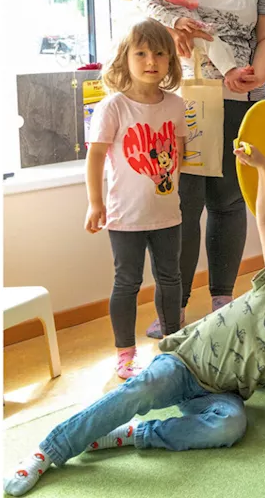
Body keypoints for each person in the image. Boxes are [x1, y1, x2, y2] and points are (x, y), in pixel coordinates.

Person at [4, 144, 265, 496]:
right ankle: (49, 450)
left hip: (220, 394)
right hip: (184, 363)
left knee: (232, 425)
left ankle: (135, 434)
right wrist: (263, 168)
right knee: (141, 389)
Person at [136, 0, 265, 339]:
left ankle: (223, 299)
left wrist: (257, 73)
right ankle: (174, 307)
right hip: (180, 102)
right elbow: (143, 1)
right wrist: (172, 21)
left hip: (242, 101)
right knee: (180, 206)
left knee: (226, 203)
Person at [83, 20, 187, 379]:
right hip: (124, 216)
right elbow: (95, 156)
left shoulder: (176, 104)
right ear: (124, 59)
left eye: (159, 53)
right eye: (140, 53)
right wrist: (95, 203)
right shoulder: (113, 107)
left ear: (170, 60)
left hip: (167, 214)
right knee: (127, 282)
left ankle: (174, 343)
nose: (150, 61)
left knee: (171, 279)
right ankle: (125, 353)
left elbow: (180, 153)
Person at [136, 0, 248, 92]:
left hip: (192, 36)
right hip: (171, 39)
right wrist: (176, 22)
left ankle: (228, 69)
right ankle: (230, 72)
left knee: (220, 45)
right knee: (211, 43)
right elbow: (155, 11)